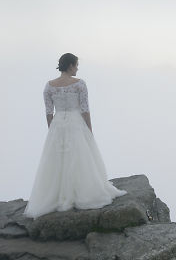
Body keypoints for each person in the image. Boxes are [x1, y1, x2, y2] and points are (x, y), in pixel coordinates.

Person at [24, 53, 126, 218]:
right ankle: (80, 192)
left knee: (58, 161)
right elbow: (85, 109)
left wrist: (52, 130)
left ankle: (58, 195)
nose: (77, 68)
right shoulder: (79, 84)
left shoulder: (49, 86)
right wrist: (89, 130)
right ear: (70, 65)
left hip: (58, 125)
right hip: (75, 123)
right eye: (76, 65)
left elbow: (49, 113)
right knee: (79, 159)